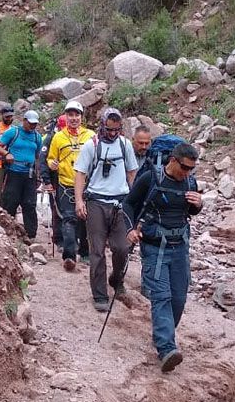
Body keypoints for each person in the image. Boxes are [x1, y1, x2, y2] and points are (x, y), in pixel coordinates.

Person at [124, 143, 203, 373]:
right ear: (173, 160)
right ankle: (166, 348)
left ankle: (163, 335)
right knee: (161, 296)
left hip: (180, 248)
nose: (188, 172)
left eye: (192, 168)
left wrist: (199, 204)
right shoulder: (150, 179)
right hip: (154, 248)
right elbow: (129, 204)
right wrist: (130, 229)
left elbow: (190, 212)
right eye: (185, 167)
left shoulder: (190, 182)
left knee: (179, 298)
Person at [74, 108, 140, 312]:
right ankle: (100, 294)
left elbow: (132, 172)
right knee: (97, 250)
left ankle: (116, 278)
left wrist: (134, 202)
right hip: (96, 202)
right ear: (102, 126)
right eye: (109, 129)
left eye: (117, 129)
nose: (113, 134)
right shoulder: (91, 145)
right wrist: (79, 201)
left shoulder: (125, 145)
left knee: (122, 247)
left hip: (120, 202)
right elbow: (80, 174)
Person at [46, 100, 93, 271]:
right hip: (66, 184)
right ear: (65, 116)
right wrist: (52, 164)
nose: (73, 118)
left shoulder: (90, 136)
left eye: (76, 115)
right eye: (70, 115)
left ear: (81, 117)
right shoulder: (58, 137)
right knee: (68, 219)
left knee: (86, 220)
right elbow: (50, 157)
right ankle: (69, 256)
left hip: (88, 185)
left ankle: (86, 252)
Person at [0, 110, 43, 240]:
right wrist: (7, 154)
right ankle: (6, 230)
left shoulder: (37, 137)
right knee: (9, 201)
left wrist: (39, 175)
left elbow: (38, 157)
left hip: (29, 175)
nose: (32, 126)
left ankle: (30, 235)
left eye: (35, 124)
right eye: (30, 123)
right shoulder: (13, 132)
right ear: (24, 121)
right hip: (13, 172)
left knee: (30, 204)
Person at [37, 114, 68, 249]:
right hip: (54, 178)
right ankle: (58, 238)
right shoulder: (50, 139)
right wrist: (46, 181)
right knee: (56, 207)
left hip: (68, 178)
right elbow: (43, 161)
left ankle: (70, 237)